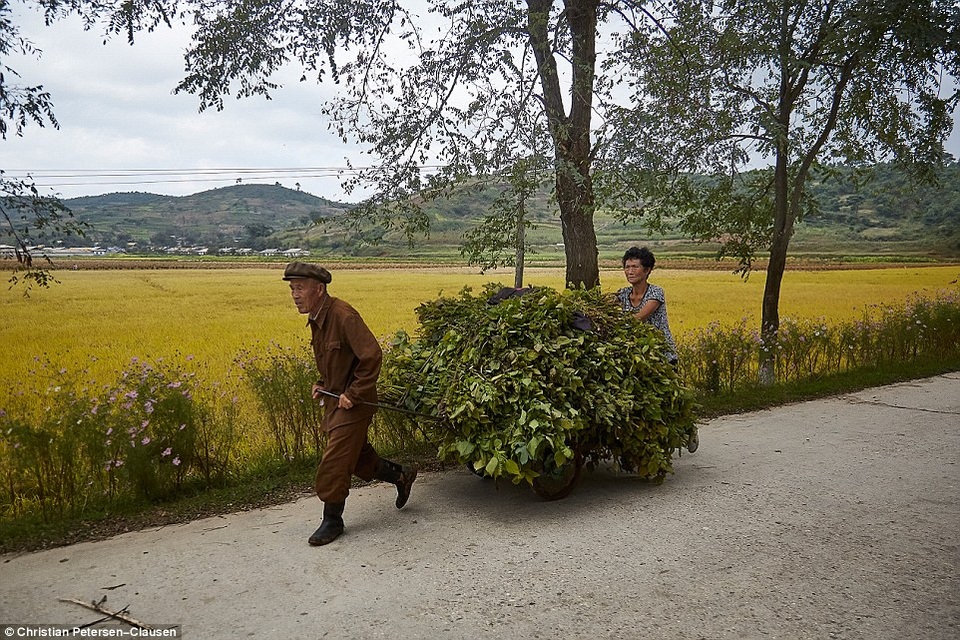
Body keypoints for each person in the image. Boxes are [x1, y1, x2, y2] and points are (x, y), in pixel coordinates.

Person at [283, 261, 417, 545]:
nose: (295, 294)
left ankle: (332, 520)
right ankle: (401, 475)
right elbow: (336, 361)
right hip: (338, 401)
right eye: (292, 288)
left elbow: (371, 356)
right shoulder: (318, 319)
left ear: (319, 289)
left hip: (356, 404)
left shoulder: (343, 315)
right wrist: (323, 385)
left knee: (335, 459)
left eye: (300, 288)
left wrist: (353, 393)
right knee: (357, 459)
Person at [616, 246, 698, 453]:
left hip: (661, 355)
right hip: (636, 355)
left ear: (647, 270)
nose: (630, 271)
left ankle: (688, 427)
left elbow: (639, 318)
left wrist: (615, 323)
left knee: (670, 398)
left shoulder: (655, 293)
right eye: (627, 267)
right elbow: (607, 306)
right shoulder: (622, 294)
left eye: (635, 267)